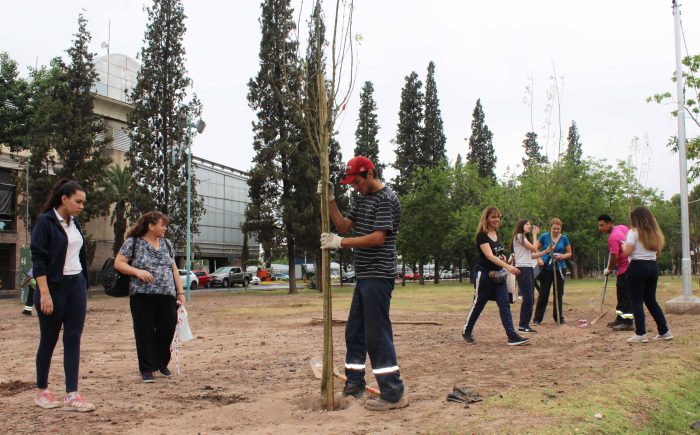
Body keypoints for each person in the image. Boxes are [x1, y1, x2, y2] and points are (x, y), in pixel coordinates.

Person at [318, 156, 408, 411]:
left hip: (379, 276)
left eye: (357, 182)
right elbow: (344, 225)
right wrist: (330, 199)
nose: (354, 187)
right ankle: (354, 385)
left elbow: (378, 238)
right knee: (355, 331)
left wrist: (340, 243)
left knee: (376, 334)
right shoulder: (364, 199)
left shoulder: (386, 200)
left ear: (370, 173)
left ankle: (393, 393)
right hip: (364, 276)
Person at [30, 179, 95, 412]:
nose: (81, 206)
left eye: (83, 202)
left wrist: (83, 283)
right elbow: (37, 260)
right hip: (53, 288)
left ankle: (72, 394)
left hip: (76, 285)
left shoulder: (74, 223)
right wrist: (44, 294)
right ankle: (42, 390)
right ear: (64, 199)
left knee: (73, 338)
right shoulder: (45, 222)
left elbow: (76, 255)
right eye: (78, 201)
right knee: (49, 339)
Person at [114, 211, 186, 383]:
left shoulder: (167, 244)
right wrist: (137, 271)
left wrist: (180, 292)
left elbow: (174, 269)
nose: (165, 228)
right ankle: (147, 369)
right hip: (142, 295)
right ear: (151, 226)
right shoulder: (133, 243)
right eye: (163, 225)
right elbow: (119, 263)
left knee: (167, 329)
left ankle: (161, 363)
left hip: (167, 295)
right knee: (144, 332)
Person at [461, 206, 530, 346]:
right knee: (479, 304)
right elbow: (488, 255)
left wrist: (503, 258)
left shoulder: (496, 234)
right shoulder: (482, 235)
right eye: (493, 217)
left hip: (498, 276)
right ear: (486, 218)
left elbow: (496, 255)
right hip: (485, 275)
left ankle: (512, 336)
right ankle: (466, 332)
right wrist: (509, 267)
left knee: (504, 304)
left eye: (498, 216)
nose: (497, 219)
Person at [623, 207, 673, 343]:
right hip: (652, 266)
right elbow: (656, 253)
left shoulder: (633, 232)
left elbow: (627, 252)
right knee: (651, 300)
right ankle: (664, 331)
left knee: (636, 301)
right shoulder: (655, 233)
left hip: (637, 266)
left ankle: (641, 334)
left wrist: (623, 246)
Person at [511, 219, 551, 333]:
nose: (529, 226)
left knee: (530, 298)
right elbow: (534, 248)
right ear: (521, 225)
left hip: (528, 268)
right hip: (522, 269)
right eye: (527, 224)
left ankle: (524, 325)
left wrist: (546, 251)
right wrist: (534, 235)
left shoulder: (523, 239)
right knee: (528, 298)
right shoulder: (519, 236)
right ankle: (523, 325)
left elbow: (532, 255)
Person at [597, 214, 634, 331]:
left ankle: (628, 322)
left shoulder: (613, 237)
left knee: (625, 295)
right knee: (621, 294)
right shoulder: (622, 228)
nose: (600, 228)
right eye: (599, 225)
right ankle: (620, 318)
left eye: (602, 225)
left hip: (626, 268)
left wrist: (609, 269)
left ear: (609, 224)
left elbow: (614, 256)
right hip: (627, 265)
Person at [533, 218, 572, 325]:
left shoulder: (564, 238)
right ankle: (537, 319)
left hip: (560, 268)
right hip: (546, 269)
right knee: (543, 293)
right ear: (550, 228)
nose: (556, 231)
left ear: (561, 228)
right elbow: (535, 248)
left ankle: (559, 317)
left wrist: (563, 256)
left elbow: (569, 253)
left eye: (558, 229)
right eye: (554, 228)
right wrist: (539, 258)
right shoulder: (545, 237)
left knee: (558, 293)